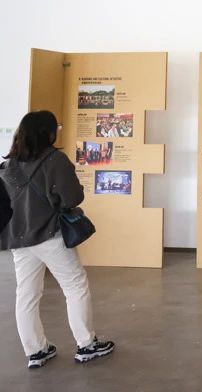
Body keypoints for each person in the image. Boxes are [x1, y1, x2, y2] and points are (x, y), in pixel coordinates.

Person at [0, 111, 115, 368]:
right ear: (47, 132)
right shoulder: (54, 160)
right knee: (75, 286)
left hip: (19, 240)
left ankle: (36, 351)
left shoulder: (9, 165)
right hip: (49, 235)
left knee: (27, 295)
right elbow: (73, 197)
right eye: (57, 127)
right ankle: (86, 344)